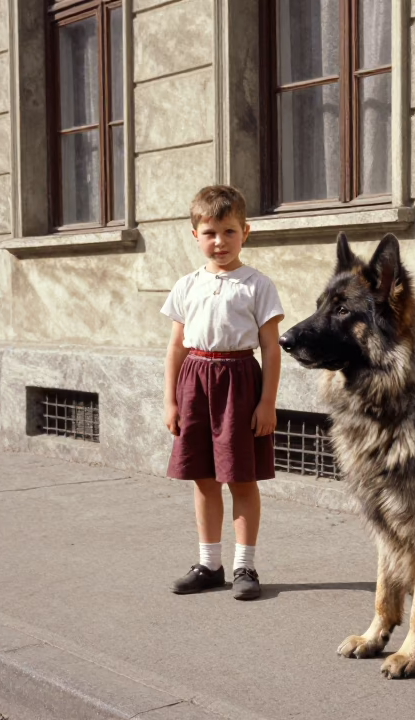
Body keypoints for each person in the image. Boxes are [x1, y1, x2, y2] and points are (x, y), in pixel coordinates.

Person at [161, 185, 284, 601]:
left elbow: (270, 347)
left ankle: (244, 565)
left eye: (229, 232)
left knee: (242, 478)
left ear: (245, 232)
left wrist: (267, 402)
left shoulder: (257, 285)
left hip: (239, 382)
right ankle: (209, 564)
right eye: (210, 232)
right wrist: (171, 399)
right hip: (195, 381)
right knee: (204, 478)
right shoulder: (186, 285)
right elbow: (176, 346)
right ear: (195, 235)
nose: (220, 242)